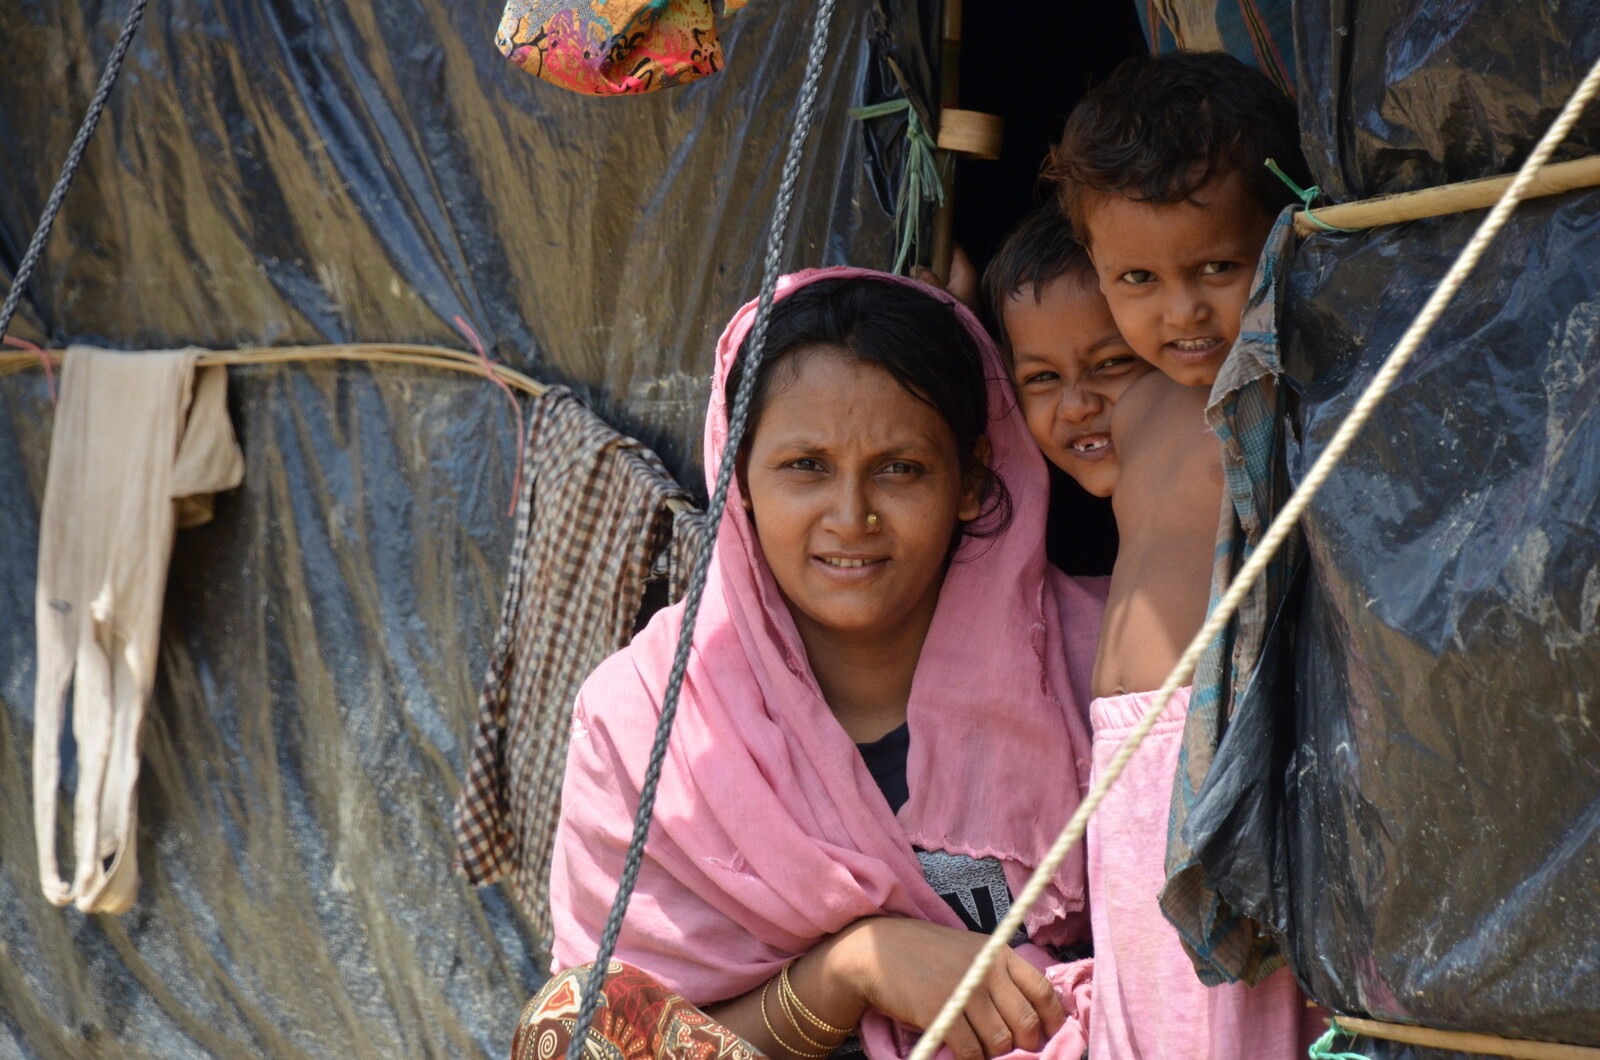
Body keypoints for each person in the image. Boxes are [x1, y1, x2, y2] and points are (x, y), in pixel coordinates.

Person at [515, 268, 1107, 1060]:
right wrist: (851, 971)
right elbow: (612, 1042)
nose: (851, 516)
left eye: (900, 468)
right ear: (741, 479)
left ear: (971, 478)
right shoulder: (647, 719)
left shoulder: (1105, 669)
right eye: (806, 467)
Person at [1028, 52, 1321, 1059]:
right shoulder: (1136, 406)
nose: (1181, 312)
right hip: (1121, 756)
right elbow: (1018, 403)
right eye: (1137, 280)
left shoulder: (1283, 391)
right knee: (1147, 1006)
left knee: (1230, 1014)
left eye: (1216, 269)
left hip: (1224, 740)